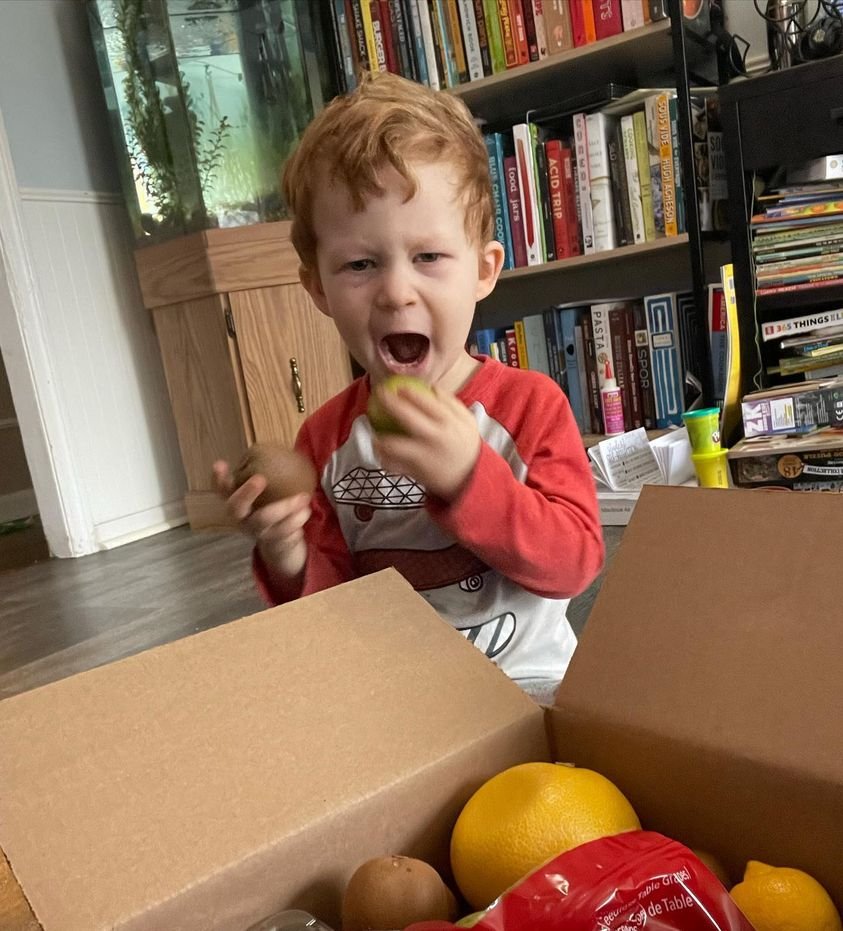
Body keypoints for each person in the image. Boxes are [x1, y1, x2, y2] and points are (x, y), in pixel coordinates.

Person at [213, 71, 604, 701]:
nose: (397, 291)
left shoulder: (530, 408)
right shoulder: (327, 438)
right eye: (360, 264)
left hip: (529, 685)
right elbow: (334, 608)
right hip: (396, 697)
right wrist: (286, 551)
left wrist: (469, 478)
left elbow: (573, 564)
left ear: (483, 270)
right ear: (318, 289)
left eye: (428, 257)